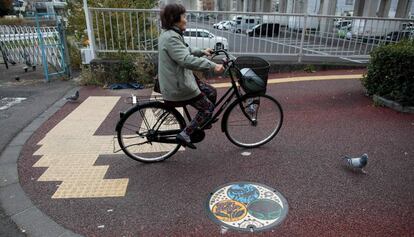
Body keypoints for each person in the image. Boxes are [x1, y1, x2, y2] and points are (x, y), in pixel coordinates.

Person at [158, 3, 224, 149]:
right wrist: (213, 65)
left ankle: (203, 121)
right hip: (178, 85)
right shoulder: (171, 38)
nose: (186, 19)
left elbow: (185, 50)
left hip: (180, 79)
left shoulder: (171, 34)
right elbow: (186, 59)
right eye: (183, 16)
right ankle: (186, 133)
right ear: (174, 19)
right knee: (207, 108)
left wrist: (202, 51)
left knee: (211, 91)